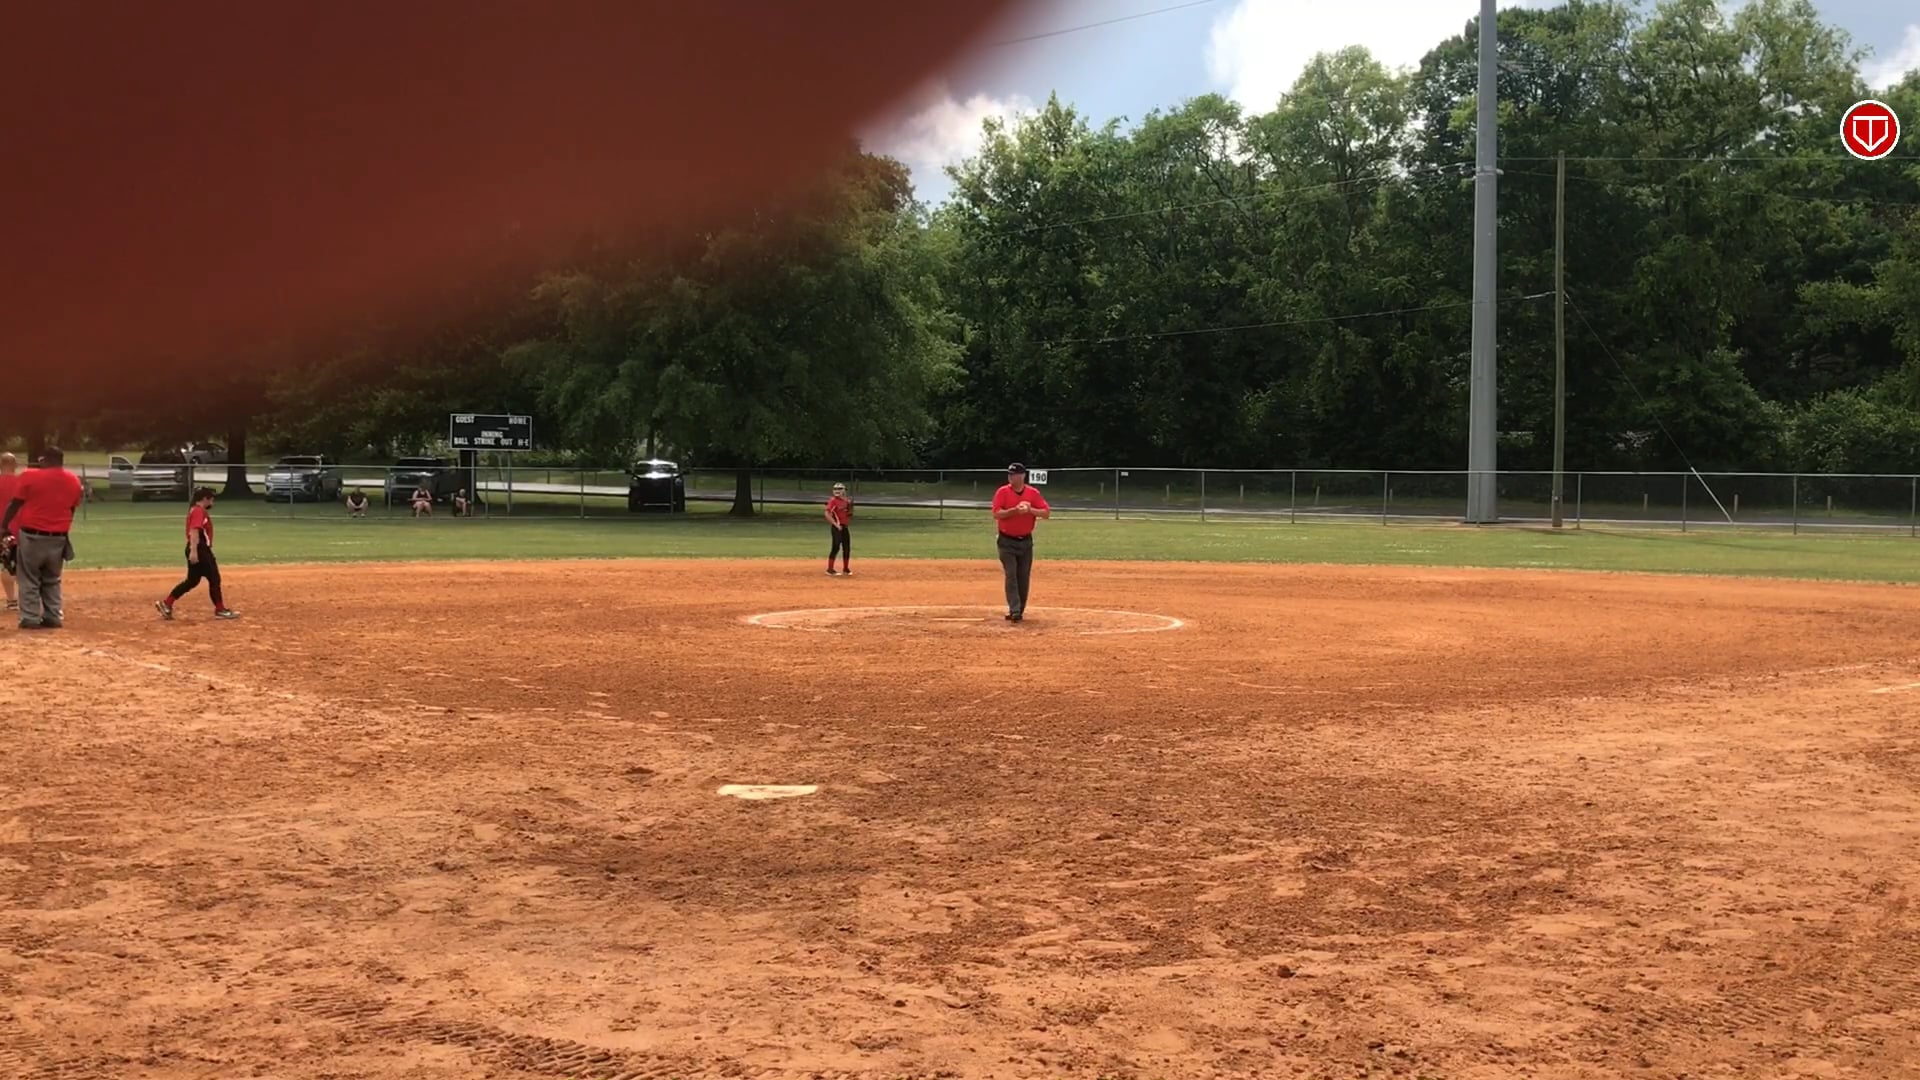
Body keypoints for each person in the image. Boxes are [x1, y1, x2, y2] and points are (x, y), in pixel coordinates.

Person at [0, 446, 84, 630]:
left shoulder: (30, 476)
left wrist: (4, 526)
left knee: (29, 578)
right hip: (58, 537)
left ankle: (30, 617)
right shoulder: (74, 480)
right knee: (52, 578)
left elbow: (15, 503)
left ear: (43, 460)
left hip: (32, 536)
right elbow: (71, 508)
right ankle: (53, 615)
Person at [156, 487, 239, 621]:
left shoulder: (196, 510)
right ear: (205, 499)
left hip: (198, 548)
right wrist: (194, 551)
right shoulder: (198, 511)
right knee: (214, 578)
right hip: (200, 549)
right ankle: (220, 609)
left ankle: (167, 603)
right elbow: (194, 531)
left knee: (192, 581)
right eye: (211, 499)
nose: (212, 502)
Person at [991, 462, 1050, 624]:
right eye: (1010, 474)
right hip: (1006, 541)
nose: (1011, 477)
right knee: (1011, 574)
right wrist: (1015, 511)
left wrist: (1030, 510)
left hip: (1025, 541)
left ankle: (1019, 609)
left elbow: (1046, 513)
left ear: (1023, 476)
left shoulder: (1032, 493)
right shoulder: (1003, 492)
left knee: (1023, 577)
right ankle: (1014, 610)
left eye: (1014, 474)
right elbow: (997, 513)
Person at [0, 453, 19, 611]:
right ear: (15, 465)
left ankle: (11, 600)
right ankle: (27, 598)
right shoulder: (22, 482)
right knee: (23, 565)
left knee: (5, 565)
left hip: (2, 529)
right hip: (21, 528)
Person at [824, 482, 852, 576]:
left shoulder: (846, 501)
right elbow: (827, 514)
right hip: (837, 527)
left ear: (844, 490)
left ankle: (846, 568)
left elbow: (848, 514)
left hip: (844, 527)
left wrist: (850, 508)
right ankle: (830, 569)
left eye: (840, 489)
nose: (837, 491)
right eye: (835, 489)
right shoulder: (833, 501)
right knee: (836, 547)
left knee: (847, 548)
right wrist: (836, 525)